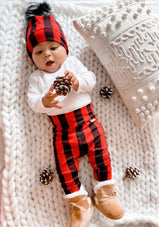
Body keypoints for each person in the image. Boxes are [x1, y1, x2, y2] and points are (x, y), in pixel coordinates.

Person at [25, 2, 124, 227]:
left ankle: (105, 193)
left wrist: (78, 82)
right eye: (39, 52)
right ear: (32, 58)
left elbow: (91, 79)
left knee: (102, 157)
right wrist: (44, 101)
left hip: (89, 123)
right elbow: (32, 102)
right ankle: (80, 204)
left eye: (53, 47)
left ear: (64, 47)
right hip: (63, 131)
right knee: (65, 168)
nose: (47, 55)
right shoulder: (37, 79)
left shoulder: (71, 64)